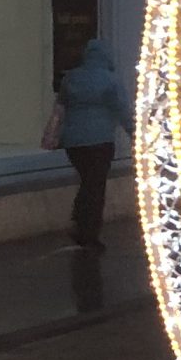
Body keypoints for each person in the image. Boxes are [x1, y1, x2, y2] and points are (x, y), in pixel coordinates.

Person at [53, 37, 134, 248]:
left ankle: (80, 221)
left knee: (87, 181)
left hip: (74, 141)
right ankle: (89, 231)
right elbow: (122, 109)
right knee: (96, 185)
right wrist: (134, 132)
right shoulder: (110, 79)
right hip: (100, 140)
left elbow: (60, 108)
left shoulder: (71, 78)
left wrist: (54, 134)